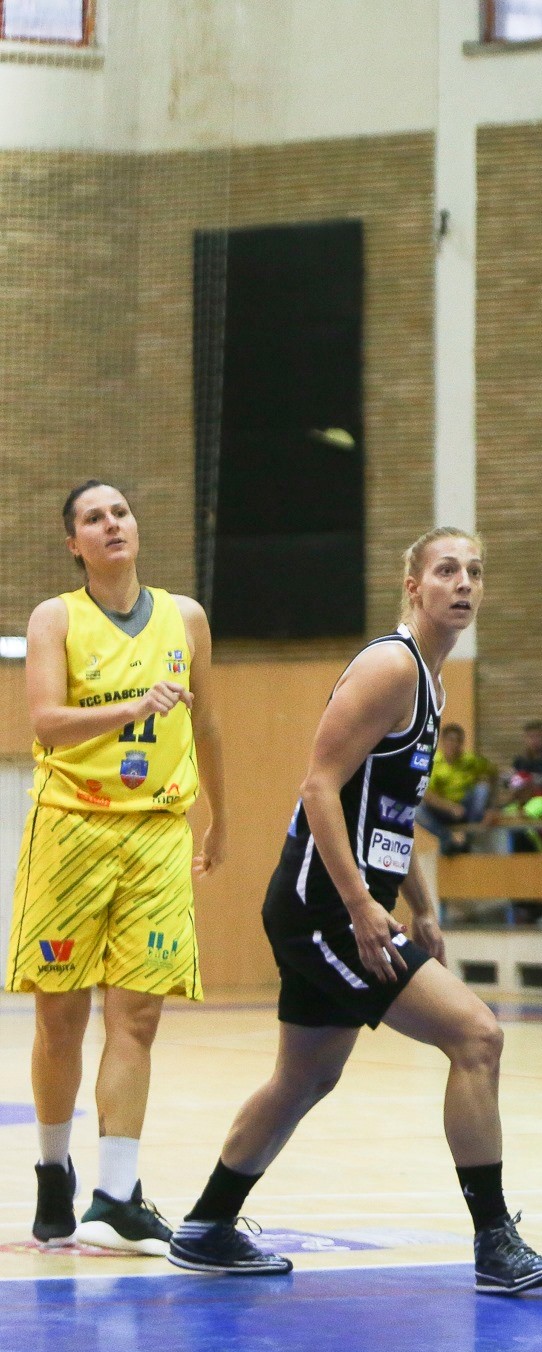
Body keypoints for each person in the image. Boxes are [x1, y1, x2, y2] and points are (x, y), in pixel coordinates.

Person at [165, 528, 542, 1295]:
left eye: (474, 571)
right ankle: (494, 1243)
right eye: (446, 570)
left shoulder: (432, 685)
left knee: (305, 1078)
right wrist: (358, 905)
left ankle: (207, 1227)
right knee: (477, 1035)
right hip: (321, 905)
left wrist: (422, 906)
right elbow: (318, 786)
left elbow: (389, 813)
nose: (464, 583)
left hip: (343, 904)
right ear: (413, 586)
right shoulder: (390, 667)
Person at [7, 480, 222, 1255]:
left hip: (157, 831)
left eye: (120, 512)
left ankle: (117, 1196)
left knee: (138, 1017)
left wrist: (220, 816)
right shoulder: (55, 618)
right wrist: (131, 708)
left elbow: (207, 723)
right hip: (71, 828)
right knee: (60, 1017)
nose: (111, 524)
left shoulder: (185, 617)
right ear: (75, 544)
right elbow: (46, 723)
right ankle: (52, 1169)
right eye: (93, 518)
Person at [419, 724, 495, 856]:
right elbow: (427, 795)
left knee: (482, 789)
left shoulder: (470, 760)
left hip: (467, 809)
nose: (454, 745)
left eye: (458, 741)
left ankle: (469, 834)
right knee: (417, 810)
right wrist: (450, 807)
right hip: (445, 810)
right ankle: (448, 837)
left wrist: (492, 808)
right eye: (450, 740)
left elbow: (493, 774)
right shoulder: (434, 763)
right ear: (443, 742)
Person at [511, 719, 542, 794]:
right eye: (531, 737)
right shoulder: (520, 759)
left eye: (538, 737)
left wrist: (524, 779)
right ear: (525, 739)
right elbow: (511, 781)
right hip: (524, 797)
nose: (534, 741)